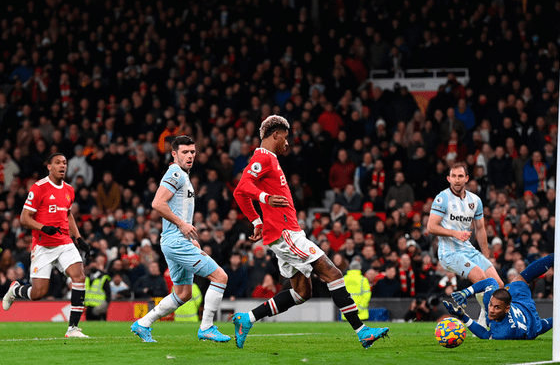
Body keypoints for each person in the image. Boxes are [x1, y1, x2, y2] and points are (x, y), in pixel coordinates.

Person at [233, 115, 389, 349]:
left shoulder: (271, 160)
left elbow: (239, 194)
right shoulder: (263, 158)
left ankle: (247, 318)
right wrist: (264, 199)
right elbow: (242, 186)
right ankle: (362, 331)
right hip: (286, 233)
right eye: (284, 138)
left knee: (302, 292)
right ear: (275, 135)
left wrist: (256, 221)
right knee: (333, 274)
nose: (287, 143)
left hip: (284, 234)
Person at [130, 136, 230, 343]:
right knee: (220, 277)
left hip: (174, 241)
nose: (190, 155)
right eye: (185, 152)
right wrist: (182, 225)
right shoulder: (176, 173)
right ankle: (207, 327)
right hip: (176, 241)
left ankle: (143, 323)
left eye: (192, 152)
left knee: (183, 293)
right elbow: (157, 203)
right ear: (174, 154)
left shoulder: (182, 175)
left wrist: (186, 235)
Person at [2, 153, 91, 338]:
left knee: (79, 276)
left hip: (64, 242)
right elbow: (24, 218)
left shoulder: (69, 189)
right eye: (58, 163)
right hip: (43, 245)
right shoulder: (39, 188)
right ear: (49, 166)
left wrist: (79, 238)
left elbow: (68, 214)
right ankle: (15, 290)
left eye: (64, 163)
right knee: (38, 293)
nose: (62, 166)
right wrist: (43, 228)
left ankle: (73, 328)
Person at [443, 245, 560, 339]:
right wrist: (465, 293)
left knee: (540, 327)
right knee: (522, 277)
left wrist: (463, 317)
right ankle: (559, 254)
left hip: (531, 325)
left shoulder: (504, 333)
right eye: (490, 305)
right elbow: (490, 282)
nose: (491, 310)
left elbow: (485, 335)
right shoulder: (493, 301)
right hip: (525, 307)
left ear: (507, 309)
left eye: (496, 308)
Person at [427, 162, 503, 325]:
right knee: (482, 278)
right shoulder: (443, 198)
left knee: (498, 284)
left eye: (460, 176)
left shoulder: (475, 200)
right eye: (453, 176)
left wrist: (487, 256)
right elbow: (431, 226)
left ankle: (486, 316)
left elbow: (481, 228)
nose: (456, 180)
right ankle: (484, 323)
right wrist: (455, 233)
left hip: (468, 249)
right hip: (449, 252)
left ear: (466, 178)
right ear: (448, 178)